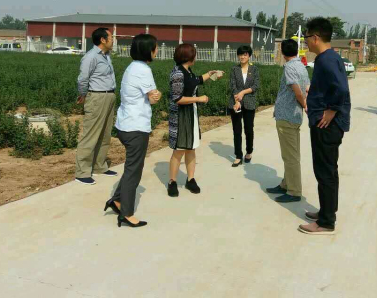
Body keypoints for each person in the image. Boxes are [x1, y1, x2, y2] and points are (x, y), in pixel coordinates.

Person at [299, 17, 351, 235]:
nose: (305, 41)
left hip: (326, 125)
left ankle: (326, 222)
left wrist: (332, 110)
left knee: (325, 171)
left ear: (315, 37)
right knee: (329, 170)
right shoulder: (330, 57)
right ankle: (327, 211)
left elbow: (341, 89)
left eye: (306, 37)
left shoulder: (326, 60)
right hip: (327, 123)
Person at [104, 34, 161, 228]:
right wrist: (157, 96)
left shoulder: (132, 67)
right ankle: (126, 214)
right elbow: (153, 98)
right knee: (133, 171)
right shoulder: (144, 70)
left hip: (125, 124)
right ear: (148, 50)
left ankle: (117, 201)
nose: (157, 51)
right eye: (155, 48)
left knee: (131, 167)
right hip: (136, 126)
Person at [167, 44, 219, 197]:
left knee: (191, 148)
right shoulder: (177, 73)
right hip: (181, 116)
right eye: (194, 54)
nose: (196, 57)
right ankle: (172, 181)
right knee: (179, 150)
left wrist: (209, 74)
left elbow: (196, 80)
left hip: (191, 114)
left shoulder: (188, 71)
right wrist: (198, 99)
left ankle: (190, 179)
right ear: (188, 57)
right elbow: (177, 98)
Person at [266, 39, 310, 203]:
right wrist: (305, 103)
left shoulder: (290, 67)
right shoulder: (301, 66)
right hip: (294, 116)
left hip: (287, 115)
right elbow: (307, 88)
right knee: (290, 153)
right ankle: (286, 184)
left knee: (290, 156)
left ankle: (294, 191)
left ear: (283, 52)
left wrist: (305, 105)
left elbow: (298, 91)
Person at [75, 28, 118, 185]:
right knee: (91, 134)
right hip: (97, 97)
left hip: (109, 96)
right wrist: (83, 94)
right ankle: (82, 172)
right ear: (102, 40)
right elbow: (83, 78)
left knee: (105, 134)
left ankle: (100, 166)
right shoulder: (91, 57)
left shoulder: (106, 56)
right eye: (111, 37)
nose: (113, 40)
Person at [228, 45, 261, 167]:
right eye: (240, 54)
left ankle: (249, 151)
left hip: (249, 102)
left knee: (249, 129)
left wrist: (243, 92)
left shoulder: (254, 69)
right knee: (237, 130)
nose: (242, 57)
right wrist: (237, 100)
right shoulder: (234, 69)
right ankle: (238, 155)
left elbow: (256, 85)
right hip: (235, 103)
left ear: (249, 56)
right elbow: (232, 85)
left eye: (245, 54)